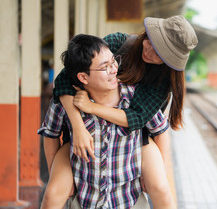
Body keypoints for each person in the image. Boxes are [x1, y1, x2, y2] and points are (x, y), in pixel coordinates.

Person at [40, 15, 198, 208]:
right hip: (85, 133)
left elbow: (140, 120)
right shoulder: (118, 45)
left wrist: (160, 174)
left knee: (160, 188)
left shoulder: (158, 82)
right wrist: (78, 126)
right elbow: (67, 77)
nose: (149, 50)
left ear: (167, 62)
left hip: (134, 136)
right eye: (150, 41)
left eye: (159, 53)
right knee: (53, 193)